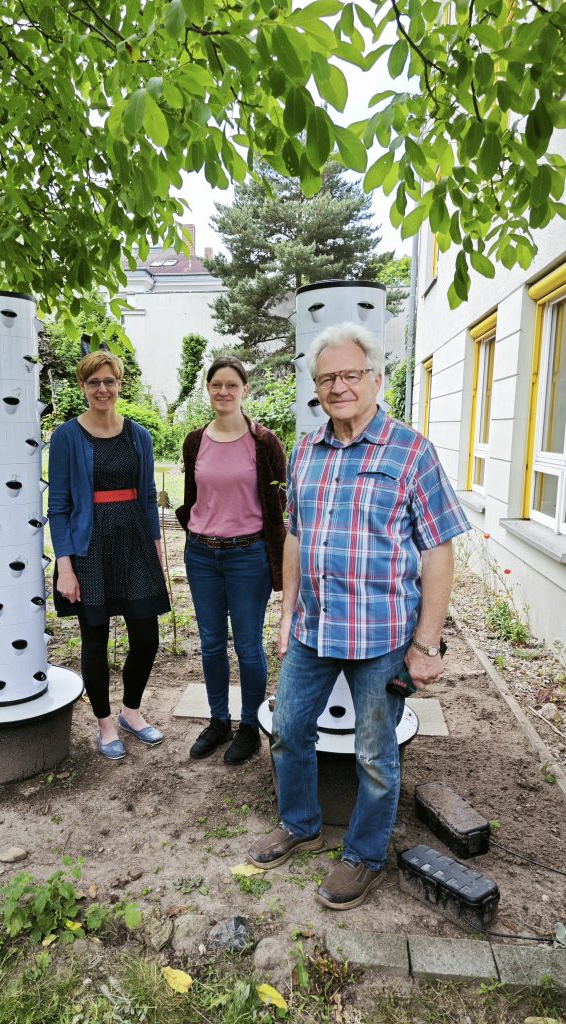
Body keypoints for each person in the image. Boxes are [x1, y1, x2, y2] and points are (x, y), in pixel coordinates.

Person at [247, 322, 470, 909]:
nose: (338, 386)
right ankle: (299, 823)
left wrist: (427, 644)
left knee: (376, 755)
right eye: (327, 378)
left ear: (375, 377)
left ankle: (365, 855)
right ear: (315, 388)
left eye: (350, 374)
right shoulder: (305, 449)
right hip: (313, 630)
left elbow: (439, 548)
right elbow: (296, 535)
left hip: (382, 636)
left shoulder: (411, 451)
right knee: (290, 733)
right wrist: (286, 611)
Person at [48, 351, 170, 762]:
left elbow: (149, 496)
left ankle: (131, 712)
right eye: (94, 382)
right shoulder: (67, 436)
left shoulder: (139, 435)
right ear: (83, 387)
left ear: (120, 385)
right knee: (95, 639)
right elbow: (59, 506)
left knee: (146, 638)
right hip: (89, 547)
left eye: (109, 381)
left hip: (134, 542)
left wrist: (156, 553)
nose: (103, 389)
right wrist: (65, 566)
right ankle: (103, 723)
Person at [176, 356, 287, 766]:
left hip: (248, 556)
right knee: (209, 644)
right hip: (202, 554)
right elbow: (193, 496)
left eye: (232, 385)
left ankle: (248, 728)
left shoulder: (264, 442)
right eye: (216, 384)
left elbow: (279, 502)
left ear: (245, 390)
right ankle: (218, 720)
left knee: (248, 646)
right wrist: (192, 526)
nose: (223, 391)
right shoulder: (194, 440)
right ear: (208, 390)